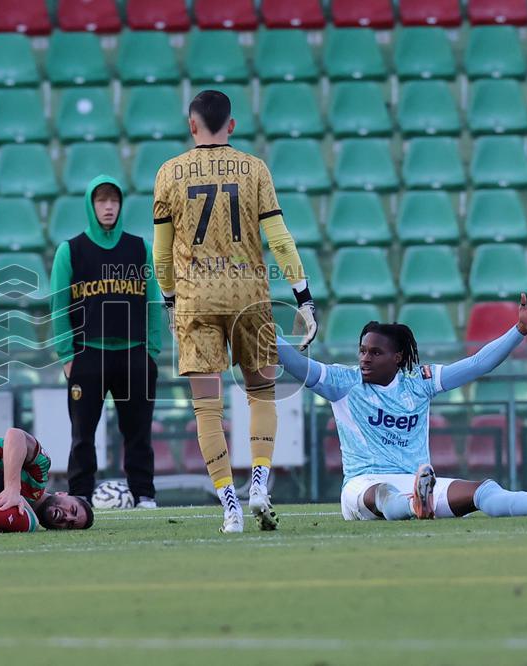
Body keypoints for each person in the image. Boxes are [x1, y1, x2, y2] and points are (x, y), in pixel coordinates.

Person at [152, 90, 318, 533]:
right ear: (231, 125)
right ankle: (259, 483)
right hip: (249, 294)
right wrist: (303, 297)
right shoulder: (255, 168)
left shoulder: (168, 173)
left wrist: (170, 299)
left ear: (192, 125)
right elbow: (279, 239)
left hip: (195, 297)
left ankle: (229, 506)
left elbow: (161, 254)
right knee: (261, 393)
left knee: (207, 408)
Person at [277, 292, 527, 521]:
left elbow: (477, 364)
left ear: (397, 358)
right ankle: (415, 505)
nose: (364, 358)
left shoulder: (419, 382)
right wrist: (264, 332)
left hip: (418, 481)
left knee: (483, 490)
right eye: (362, 351)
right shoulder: (343, 382)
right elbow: (296, 363)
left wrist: (519, 331)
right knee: (385, 494)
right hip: (363, 486)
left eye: (375, 353)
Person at [50, 175, 164, 508]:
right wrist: (66, 355)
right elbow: (58, 306)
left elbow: (153, 301)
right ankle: (80, 495)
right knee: (82, 436)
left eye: (113, 200)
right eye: (101, 200)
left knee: (139, 433)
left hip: (134, 356)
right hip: (88, 357)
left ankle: (144, 494)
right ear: (91, 205)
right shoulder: (70, 251)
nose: (108, 207)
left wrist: (152, 351)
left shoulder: (140, 248)